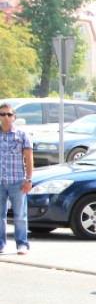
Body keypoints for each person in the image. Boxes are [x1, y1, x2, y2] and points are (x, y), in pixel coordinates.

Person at [0, 102, 32, 255]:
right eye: (2, 114)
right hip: (0, 182)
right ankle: (1, 244)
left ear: (14, 116)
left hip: (17, 181)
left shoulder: (22, 135)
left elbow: (29, 159)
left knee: (20, 215)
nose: (6, 117)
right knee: (0, 216)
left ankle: (22, 243)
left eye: (9, 114)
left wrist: (29, 179)